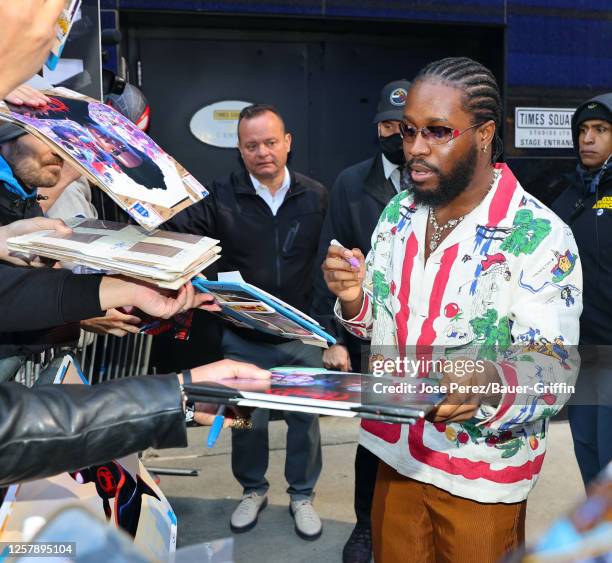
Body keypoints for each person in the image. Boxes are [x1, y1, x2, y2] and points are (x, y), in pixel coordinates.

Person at [322, 57, 582, 563]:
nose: (416, 149)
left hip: (480, 474)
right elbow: (378, 323)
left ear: (484, 134)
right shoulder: (398, 214)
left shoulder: (540, 235)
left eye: (438, 132)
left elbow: (555, 367)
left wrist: (488, 379)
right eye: (409, 131)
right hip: (392, 453)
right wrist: (353, 296)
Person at [167, 104, 328, 540]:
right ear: (239, 150)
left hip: (299, 334)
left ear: (288, 142)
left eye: (270, 142)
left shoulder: (314, 196)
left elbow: (327, 264)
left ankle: (302, 494)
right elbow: (174, 235)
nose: (262, 153)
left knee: (304, 420)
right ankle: (253, 490)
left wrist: (331, 332)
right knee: (245, 420)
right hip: (242, 335)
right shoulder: (220, 196)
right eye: (251, 145)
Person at [311, 78, 410, 563]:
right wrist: (335, 337)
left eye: (405, 125)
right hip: (367, 335)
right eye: (388, 124)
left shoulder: (439, 180)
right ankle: (366, 527)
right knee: (374, 440)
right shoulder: (352, 182)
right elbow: (330, 265)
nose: (396, 134)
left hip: (425, 341)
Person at [551, 93, 612, 486]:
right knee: (588, 454)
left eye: (601, 130)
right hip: (579, 352)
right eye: (583, 130)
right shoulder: (568, 196)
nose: (587, 139)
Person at [0, 123, 59, 224]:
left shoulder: (27, 197)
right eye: (44, 138)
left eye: (62, 142)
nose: (58, 152)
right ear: (5, 143)